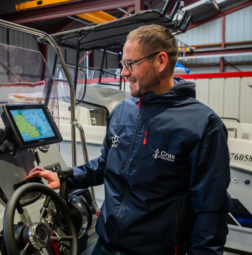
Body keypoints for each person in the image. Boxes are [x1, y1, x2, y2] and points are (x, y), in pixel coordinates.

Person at [27, 24, 231, 255]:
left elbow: (211, 210)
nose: (123, 73)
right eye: (122, 65)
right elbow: (105, 165)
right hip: (104, 245)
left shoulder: (203, 124)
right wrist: (67, 178)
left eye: (129, 64)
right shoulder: (122, 111)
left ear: (161, 61)